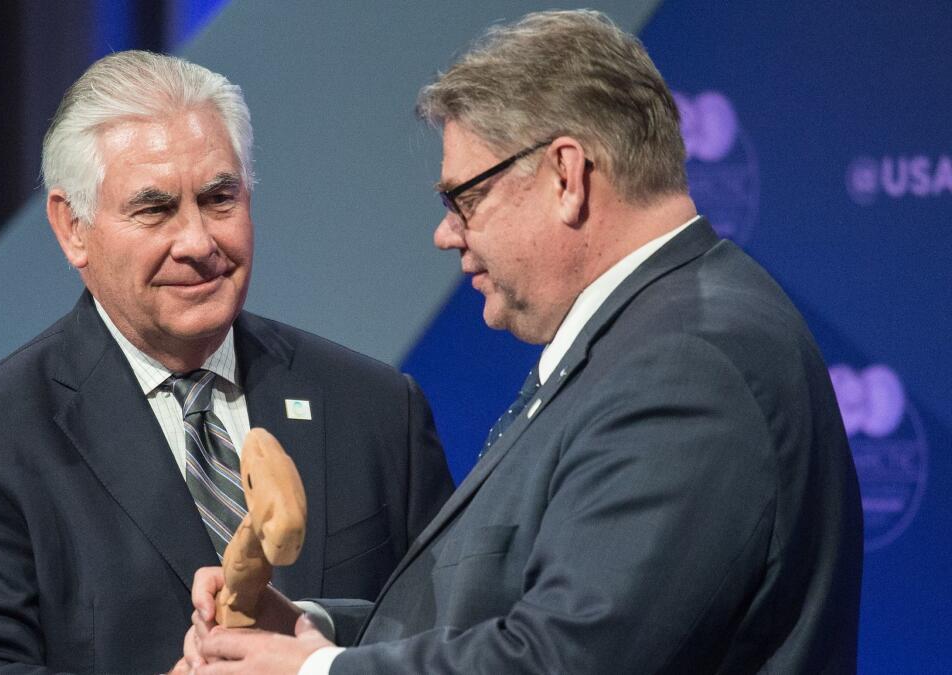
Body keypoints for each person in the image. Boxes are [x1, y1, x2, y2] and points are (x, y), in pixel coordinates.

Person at [183, 10, 863, 674]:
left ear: (566, 176)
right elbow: (507, 614)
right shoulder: (650, 334)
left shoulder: (687, 364)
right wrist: (312, 634)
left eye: (464, 199)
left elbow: (568, 656)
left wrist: (315, 673)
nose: (447, 234)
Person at [0, 51, 453, 674]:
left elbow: (458, 632)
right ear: (72, 228)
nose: (197, 242)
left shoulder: (376, 408)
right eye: (155, 208)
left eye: (220, 198)